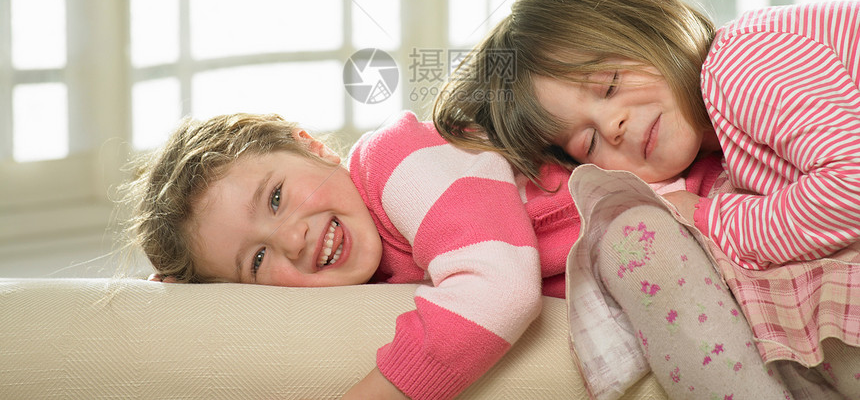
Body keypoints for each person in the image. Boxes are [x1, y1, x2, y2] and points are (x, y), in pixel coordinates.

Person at [434, 0, 860, 398]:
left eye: (609, 84)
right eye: (590, 141)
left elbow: (851, 187)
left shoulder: (740, 63)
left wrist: (714, 217)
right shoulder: (728, 149)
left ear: (651, 25)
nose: (613, 124)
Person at [121, 110, 578, 400]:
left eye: (276, 197)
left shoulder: (395, 160)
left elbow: (499, 288)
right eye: (257, 260)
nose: (292, 241)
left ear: (313, 147)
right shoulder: (369, 275)